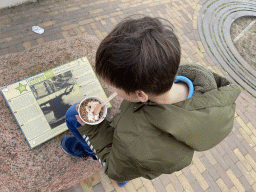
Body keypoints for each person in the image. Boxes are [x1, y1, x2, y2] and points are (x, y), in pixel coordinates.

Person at [61, 16, 241, 187]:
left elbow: (113, 169)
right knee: (132, 162)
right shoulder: (195, 78)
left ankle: (91, 153)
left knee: (72, 116)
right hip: (141, 158)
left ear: (140, 95)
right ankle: (129, 170)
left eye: (115, 86)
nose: (113, 90)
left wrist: (93, 130)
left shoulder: (138, 146)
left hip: (131, 156)